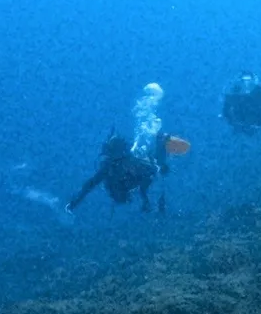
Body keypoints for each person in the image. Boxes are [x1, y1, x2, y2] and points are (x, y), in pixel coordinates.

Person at [66, 83, 191, 215]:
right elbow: (90, 185)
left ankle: (160, 140)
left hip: (142, 170)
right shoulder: (119, 165)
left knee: (154, 164)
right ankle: (160, 140)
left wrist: (74, 203)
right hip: (142, 170)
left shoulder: (110, 168)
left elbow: (89, 186)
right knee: (154, 164)